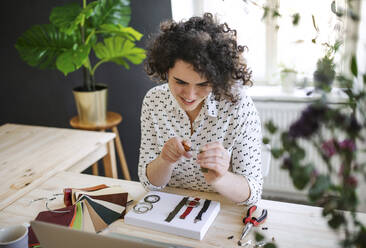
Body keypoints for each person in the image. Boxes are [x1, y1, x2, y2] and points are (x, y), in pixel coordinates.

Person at [138, 13, 262, 205]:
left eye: (203, 84)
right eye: (180, 82)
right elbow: (150, 184)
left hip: (222, 210)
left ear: (218, 79)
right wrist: (165, 160)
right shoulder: (154, 101)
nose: (190, 95)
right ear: (166, 70)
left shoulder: (238, 107)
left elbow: (252, 192)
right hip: (168, 207)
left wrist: (221, 178)